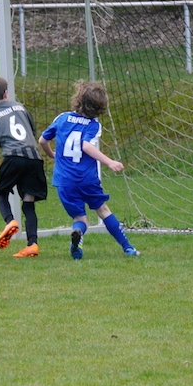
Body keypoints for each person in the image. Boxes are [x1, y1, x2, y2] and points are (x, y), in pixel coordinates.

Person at [39, 80, 140, 260]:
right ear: (100, 108)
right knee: (103, 210)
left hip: (64, 180)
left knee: (80, 218)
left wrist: (51, 154)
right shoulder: (93, 125)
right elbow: (86, 146)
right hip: (86, 179)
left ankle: (78, 233)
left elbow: (42, 140)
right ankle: (128, 248)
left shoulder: (62, 118)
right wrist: (109, 162)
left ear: (78, 99)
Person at [0, 76, 47, 258]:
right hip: (34, 158)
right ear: (6, 93)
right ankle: (32, 244)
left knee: (1, 192)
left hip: (13, 158)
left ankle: (10, 221)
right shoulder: (21, 107)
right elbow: (32, 132)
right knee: (28, 201)